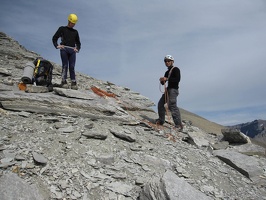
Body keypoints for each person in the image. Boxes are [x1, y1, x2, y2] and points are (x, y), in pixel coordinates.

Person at [52, 13, 81, 90]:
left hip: (72, 50)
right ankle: (63, 81)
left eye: (74, 23)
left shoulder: (75, 32)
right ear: (69, 21)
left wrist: (77, 49)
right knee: (65, 65)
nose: (73, 25)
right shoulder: (62, 29)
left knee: (72, 67)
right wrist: (57, 45)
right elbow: (54, 38)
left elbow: (78, 43)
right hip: (64, 49)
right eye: (72, 23)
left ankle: (73, 82)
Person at [156, 55, 183, 130]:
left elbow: (177, 79)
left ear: (172, 61)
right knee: (160, 104)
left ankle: (179, 125)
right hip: (168, 90)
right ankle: (161, 121)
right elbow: (163, 83)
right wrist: (162, 80)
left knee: (172, 106)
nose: (167, 62)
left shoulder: (176, 69)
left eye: (168, 61)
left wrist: (167, 78)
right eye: (165, 61)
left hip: (173, 90)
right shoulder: (167, 72)